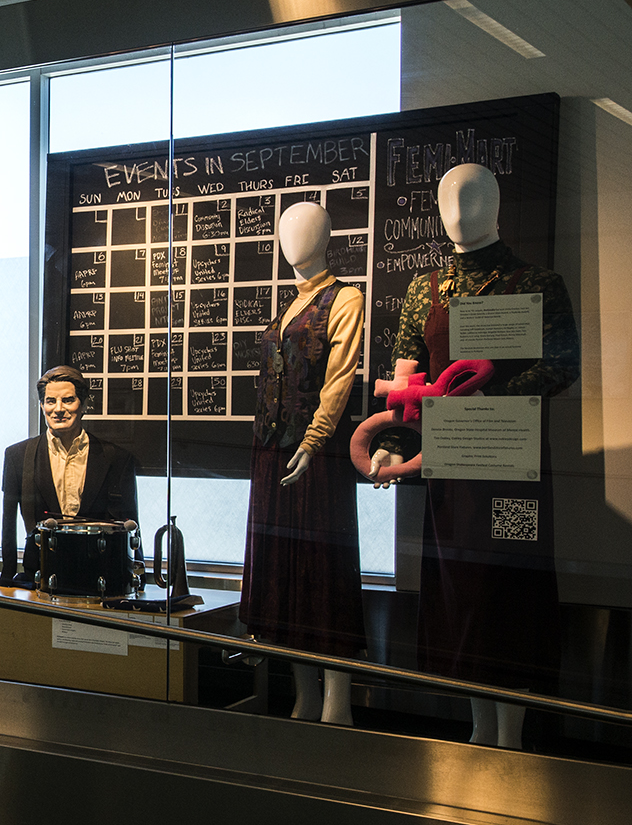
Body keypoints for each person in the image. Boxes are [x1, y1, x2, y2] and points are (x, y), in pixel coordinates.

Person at [369, 163, 579, 749]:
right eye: (448, 200)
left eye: (474, 197)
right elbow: (407, 382)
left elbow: (562, 365)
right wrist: (390, 443)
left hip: (513, 468)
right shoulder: (425, 289)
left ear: (498, 204)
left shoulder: (538, 283)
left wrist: (494, 396)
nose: (460, 211)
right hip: (453, 469)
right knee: (460, 589)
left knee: (509, 590)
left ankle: (511, 737)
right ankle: (479, 729)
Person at [241, 202, 366, 726]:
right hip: (272, 452)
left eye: (306, 229)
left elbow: (340, 379)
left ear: (327, 236)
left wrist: (314, 440)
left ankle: (337, 703)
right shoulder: (290, 304)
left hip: (316, 456)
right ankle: (305, 697)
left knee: (323, 572)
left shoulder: (346, 297)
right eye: (285, 231)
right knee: (286, 577)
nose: (293, 240)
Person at [0, 365, 139, 588]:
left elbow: (132, 525)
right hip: (39, 579)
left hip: (100, 581)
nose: (58, 409)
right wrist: (7, 576)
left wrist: (137, 577)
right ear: (42, 405)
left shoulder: (116, 458)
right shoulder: (17, 456)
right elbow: (8, 523)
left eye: (68, 400)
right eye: (50, 401)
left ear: (83, 405)